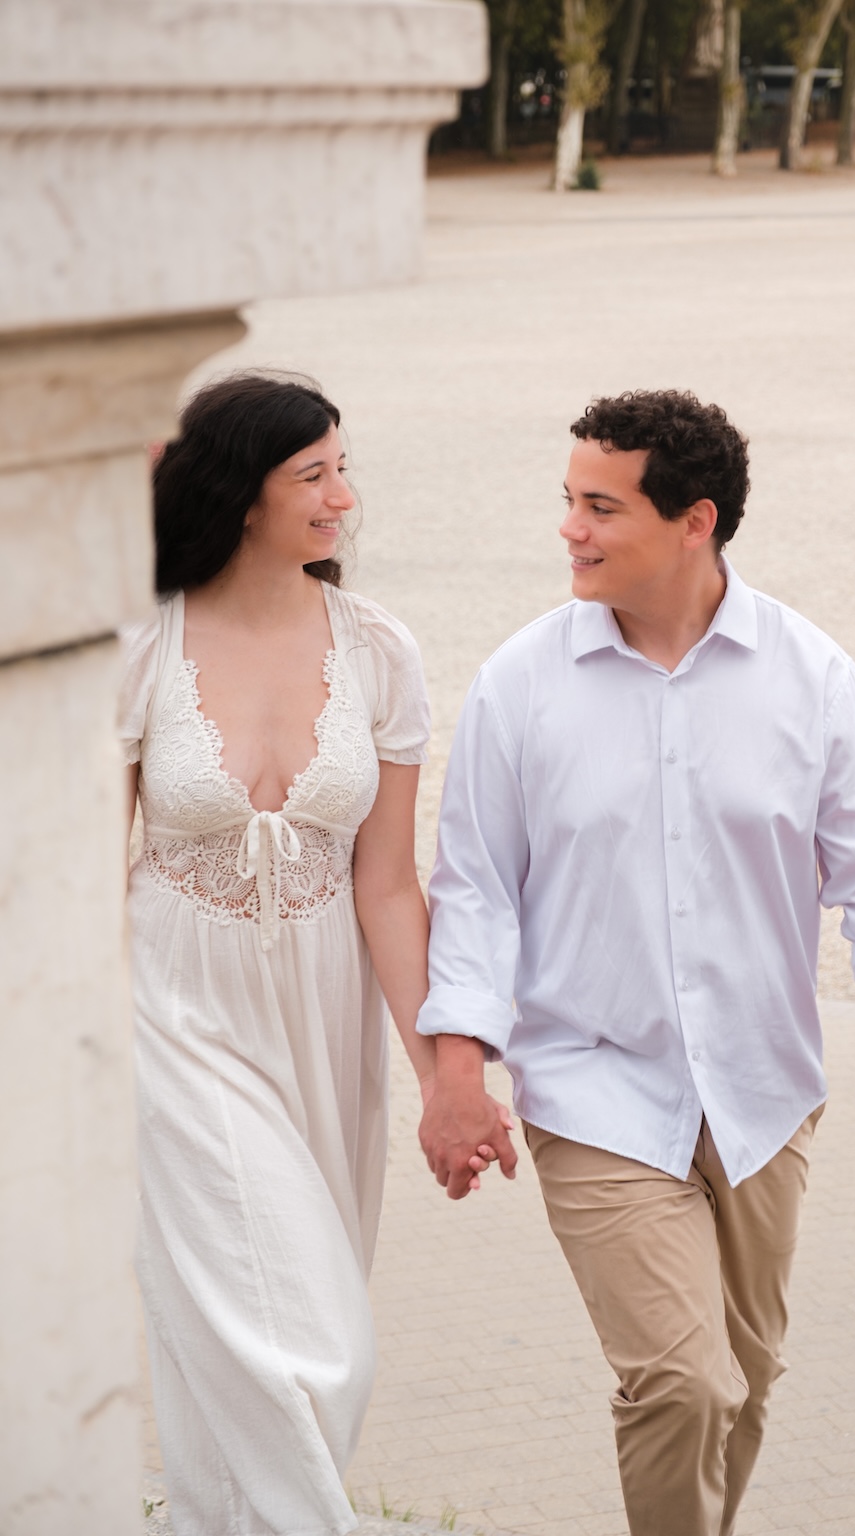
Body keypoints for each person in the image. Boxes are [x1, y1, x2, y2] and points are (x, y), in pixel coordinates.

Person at [416, 389, 855, 1536]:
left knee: (745, 1384)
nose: (569, 528)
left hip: (763, 1095)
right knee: (681, 1381)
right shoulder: (520, 685)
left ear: (693, 520)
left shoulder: (813, 680)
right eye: (568, 500)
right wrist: (456, 1073)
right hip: (593, 1088)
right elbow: (473, 895)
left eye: (600, 507)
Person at [120, 373, 500, 1536]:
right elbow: (80, 870)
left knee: (263, 1328)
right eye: (314, 474)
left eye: (343, 466)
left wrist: (446, 1071)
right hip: (172, 1010)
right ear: (242, 495)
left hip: (326, 1020)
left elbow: (386, 886)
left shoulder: (381, 651)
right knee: (303, 1342)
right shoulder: (139, 646)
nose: (345, 495)